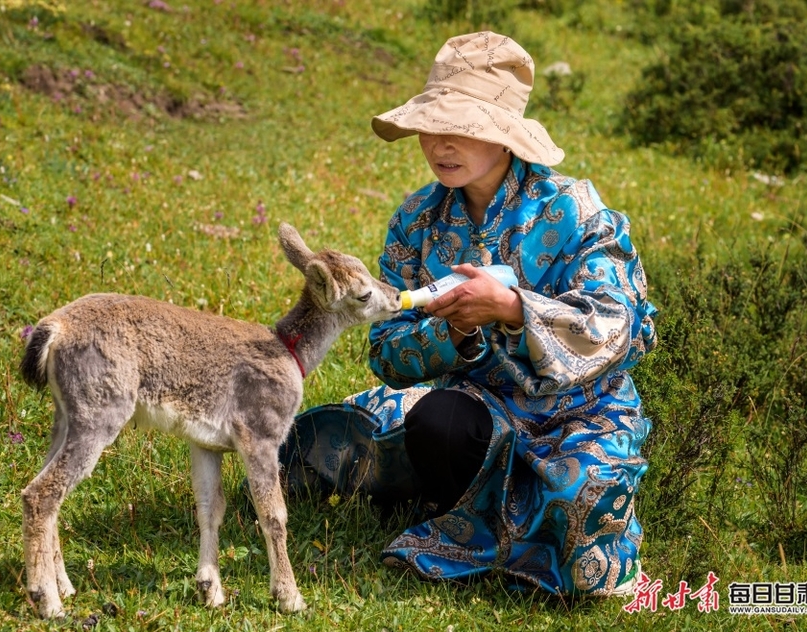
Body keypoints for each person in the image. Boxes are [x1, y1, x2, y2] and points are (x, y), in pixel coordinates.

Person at [280, 31, 657, 597]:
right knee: (433, 420)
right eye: (431, 128)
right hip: (480, 410)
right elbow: (386, 352)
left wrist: (512, 309)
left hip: (581, 413)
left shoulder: (576, 211)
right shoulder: (417, 220)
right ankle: (463, 510)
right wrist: (452, 332)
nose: (440, 145)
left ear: (504, 137)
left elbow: (627, 330)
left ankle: (465, 521)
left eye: (461, 130)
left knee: (579, 519)